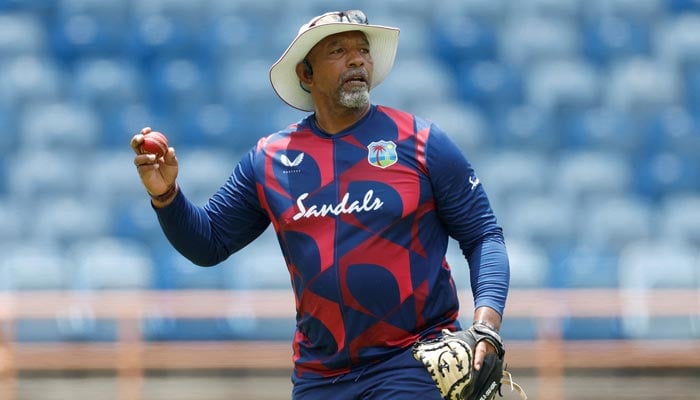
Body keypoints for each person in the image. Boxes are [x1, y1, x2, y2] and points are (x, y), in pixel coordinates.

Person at [131, 9, 510, 400]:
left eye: (363, 50)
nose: (357, 58)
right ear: (306, 75)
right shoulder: (268, 160)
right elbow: (207, 244)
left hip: (411, 364)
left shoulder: (422, 142)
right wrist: (166, 195)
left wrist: (486, 324)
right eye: (338, 50)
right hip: (320, 378)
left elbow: (484, 235)